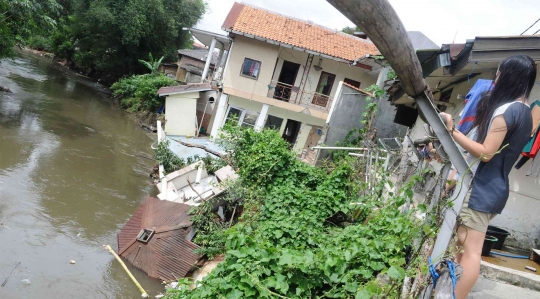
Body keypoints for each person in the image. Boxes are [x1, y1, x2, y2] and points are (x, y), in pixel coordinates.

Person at [440, 54, 536, 299]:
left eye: (499, 73)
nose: (496, 77)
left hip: (481, 189)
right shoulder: (526, 112)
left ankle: (454, 296)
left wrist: (452, 131)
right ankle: (450, 290)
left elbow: (485, 153)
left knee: (471, 252)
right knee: (462, 247)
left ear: (508, 77)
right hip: (496, 189)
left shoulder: (505, 111)